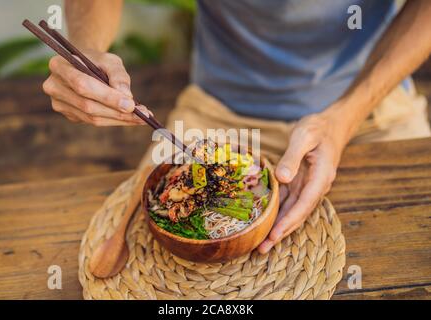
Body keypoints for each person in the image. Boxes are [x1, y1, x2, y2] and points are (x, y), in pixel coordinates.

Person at [42, 0, 431, 254]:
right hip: (215, 112)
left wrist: (344, 119)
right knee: (142, 246)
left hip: (371, 103)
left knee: (404, 247)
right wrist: (87, 49)